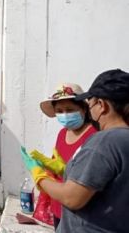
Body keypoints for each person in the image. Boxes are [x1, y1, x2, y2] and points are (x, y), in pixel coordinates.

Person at [21, 69, 129, 233]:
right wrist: (63, 169)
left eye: (91, 104)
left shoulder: (103, 141)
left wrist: (38, 175)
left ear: (102, 105)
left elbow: (72, 198)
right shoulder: (122, 139)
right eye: (59, 110)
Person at [32, 83, 98, 228]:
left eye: (70, 109)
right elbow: (57, 165)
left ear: (84, 109)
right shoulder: (62, 134)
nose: (65, 115)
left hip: (80, 211)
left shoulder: (94, 135)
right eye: (59, 111)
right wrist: (44, 165)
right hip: (58, 205)